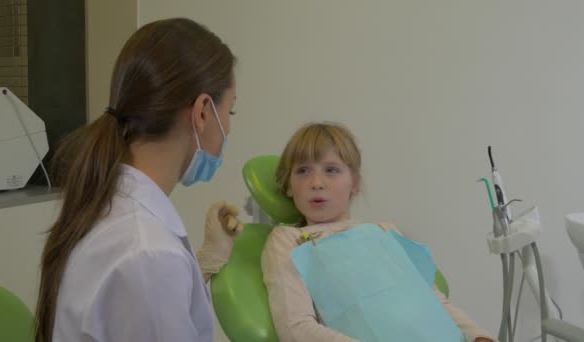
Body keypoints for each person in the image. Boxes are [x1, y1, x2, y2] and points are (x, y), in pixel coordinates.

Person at [34, 18, 242, 342]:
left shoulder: (109, 204)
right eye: (230, 112)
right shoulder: (148, 254)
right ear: (203, 112)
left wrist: (201, 265)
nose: (228, 128)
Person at [261, 122, 496, 342]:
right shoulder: (289, 241)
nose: (317, 182)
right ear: (288, 186)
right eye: (302, 171)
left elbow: (431, 300)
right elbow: (296, 328)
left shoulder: (385, 231)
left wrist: (477, 335)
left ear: (355, 183)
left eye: (331, 170)